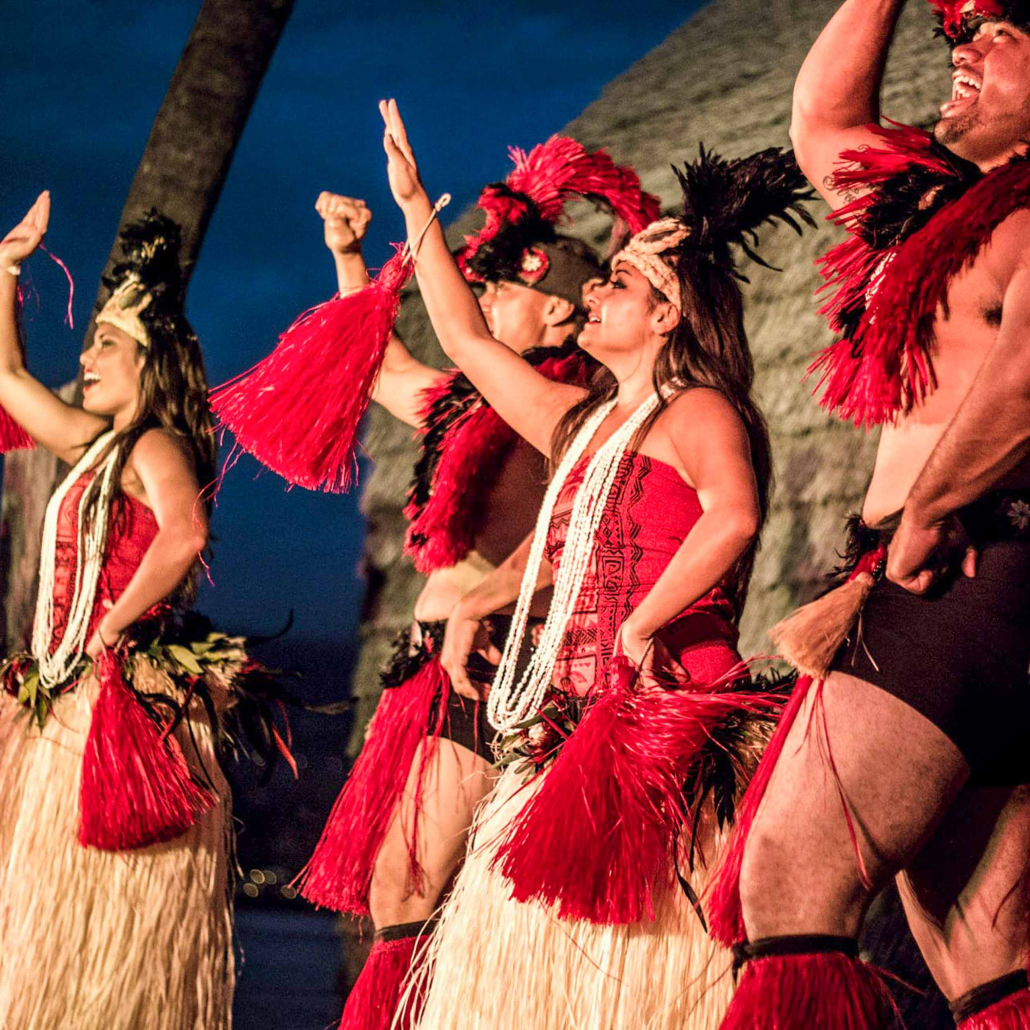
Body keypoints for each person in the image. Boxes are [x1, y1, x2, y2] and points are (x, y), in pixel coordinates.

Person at [378, 98, 811, 1029]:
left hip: (664, 710)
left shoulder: (698, 410)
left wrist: (642, 622)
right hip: (569, 717)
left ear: (667, 315)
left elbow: (732, 518)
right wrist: (417, 212)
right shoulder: (580, 425)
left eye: (616, 282)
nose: (594, 296)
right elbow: (465, 342)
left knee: (650, 972)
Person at [707, 3, 1030, 1027]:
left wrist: (930, 508)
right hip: (964, 582)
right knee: (985, 954)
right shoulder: (952, 206)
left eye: (998, 35)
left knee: (787, 889)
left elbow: (1025, 386)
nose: (962, 50)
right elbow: (822, 122)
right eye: (955, 36)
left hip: (963, 568)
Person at [294, 146, 659, 1029]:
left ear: (563, 311)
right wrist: (350, 256)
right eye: (483, 288)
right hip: (430, 664)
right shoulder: (469, 399)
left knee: (409, 890)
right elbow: (375, 367)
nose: (487, 301)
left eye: (505, 291)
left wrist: (482, 598)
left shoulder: (570, 407)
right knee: (402, 894)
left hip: (497, 660)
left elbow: (570, 525)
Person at [0, 197, 279, 1030]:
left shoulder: (156, 444)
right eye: (89, 340)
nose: (86, 354)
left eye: (107, 344)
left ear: (149, 362)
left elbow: (185, 531)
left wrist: (116, 625)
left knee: (99, 907)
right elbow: (8, 380)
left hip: (109, 701)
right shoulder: (95, 444)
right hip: (62, 692)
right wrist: (6, 269)